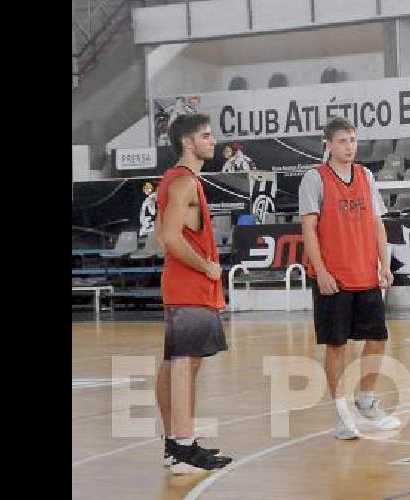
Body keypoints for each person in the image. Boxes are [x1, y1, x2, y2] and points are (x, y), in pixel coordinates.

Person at [300, 117, 401, 440]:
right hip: (334, 277)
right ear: (327, 144)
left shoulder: (365, 175)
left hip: (365, 273)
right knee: (336, 346)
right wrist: (322, 272)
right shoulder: (314, 179)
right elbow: (309, 231)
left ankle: (366, 399)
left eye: (353, 140)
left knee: (378, 338)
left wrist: (384, 264)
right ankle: (342, 414)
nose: (349, 147)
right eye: (343, 141)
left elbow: (377, 224)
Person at [153, 113, 233, 473]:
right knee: (185, 365)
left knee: (176, 365)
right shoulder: (183, 182)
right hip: (190, 286)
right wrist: (205, 266)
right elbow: (169, 239)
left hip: (183, 285)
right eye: (206, 135)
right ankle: (183, 447)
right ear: (187, 142)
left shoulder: (176, 181)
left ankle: (175, 444)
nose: (212, 141)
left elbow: (160, 235)